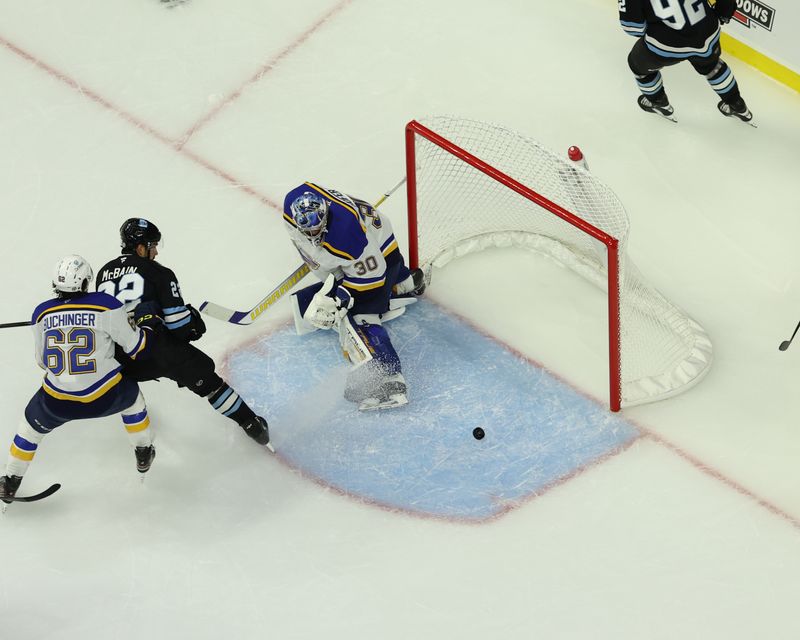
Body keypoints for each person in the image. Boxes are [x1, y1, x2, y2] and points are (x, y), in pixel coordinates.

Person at [95, 218, 272, 448]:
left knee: (128, 387)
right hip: (159, 350)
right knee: (212, 385)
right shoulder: (159, 273)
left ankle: (140, 441)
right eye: (152, 246)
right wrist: (193, 322)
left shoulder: (102, 274)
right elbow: (179, 327)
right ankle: (252, 426)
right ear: (140, 247)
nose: (156, 251)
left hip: (121, 360)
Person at [0, 255, 155, 504]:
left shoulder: (41, 313)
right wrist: (143, 323)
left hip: (56, 403)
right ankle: (143, 451)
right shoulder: (107, 304)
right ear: (85, 282)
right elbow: (136, 347)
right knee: (134, 401)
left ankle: (10, 482)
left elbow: (42, 361)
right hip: (106, 397)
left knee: (28, 430)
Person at [283, 182, 426, 411]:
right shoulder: (293, 202)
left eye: (316, 229)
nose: (312, 235)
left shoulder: (349, 238)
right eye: (307, 230)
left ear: (325, 214)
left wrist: (340, 298)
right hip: (368, 235)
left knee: (359, 315)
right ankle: (405, 282)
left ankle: (390, 378)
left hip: (379, 249)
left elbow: (374, 276)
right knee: (336, 284)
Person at [619, 0, 753, 123]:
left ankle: (658, 102)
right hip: (707, 32)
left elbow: (634, 28)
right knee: (712, 66)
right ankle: (737, 104)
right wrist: (724, 14)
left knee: (638, 66)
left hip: (667, 46)